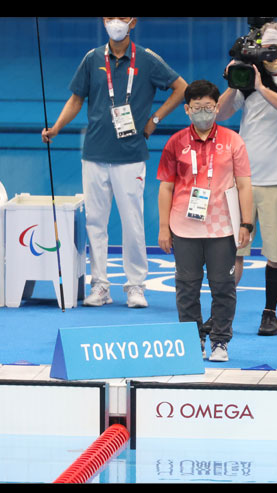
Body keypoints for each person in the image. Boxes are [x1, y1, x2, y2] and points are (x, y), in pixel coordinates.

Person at [41, 17, 187, 308]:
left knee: (132, 222)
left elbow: (181, 88)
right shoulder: (92, 58)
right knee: (95, 223)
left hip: (130, 156)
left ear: (132, 22)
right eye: (109, 17)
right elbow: (75, 99)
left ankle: (135, 286)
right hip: (94, 155)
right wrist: (56, 127)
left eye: (120, 17)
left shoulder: (147, 59)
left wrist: (155, 120)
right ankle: (100, 286)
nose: (114, 22)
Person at [216, 21, 277, 336]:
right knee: (232, 253)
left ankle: (269, 312)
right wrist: (235, 82)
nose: (268, 56)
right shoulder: (248, 78)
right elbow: (219, 114)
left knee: (276, 255)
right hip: (241, 181)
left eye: (273, 51)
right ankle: (222, 315)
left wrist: (262, 87)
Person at [156, 79, 253, 362]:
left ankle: (220, 342)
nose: (203, 112)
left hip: (222, 226)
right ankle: (191, 339)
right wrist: (164, 227)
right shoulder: (175, 143)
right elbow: (165, 187)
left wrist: (246, 223)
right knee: (187, 287)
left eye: (208, 107)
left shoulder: (233, 141)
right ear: (186, 109)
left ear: (216, 107)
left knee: (223, 286)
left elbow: (244, 184)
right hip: (184, 227)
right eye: (197, 107)